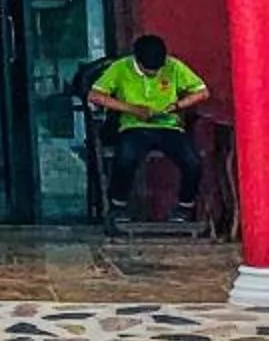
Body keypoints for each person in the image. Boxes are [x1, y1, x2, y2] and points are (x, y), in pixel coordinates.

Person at [88, 32, 208, 218]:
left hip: (168, 126)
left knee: (193, 162)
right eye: (147, 70)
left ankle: (184, 207)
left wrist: (178, 106)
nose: (154, 73)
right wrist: (131, 109)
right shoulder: (120, 68)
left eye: (157, 70)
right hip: (134, 126)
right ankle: (118, 206)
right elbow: (95, 95)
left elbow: (202, 92)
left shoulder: (173, 66)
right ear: (136, 60)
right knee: (125, 158)